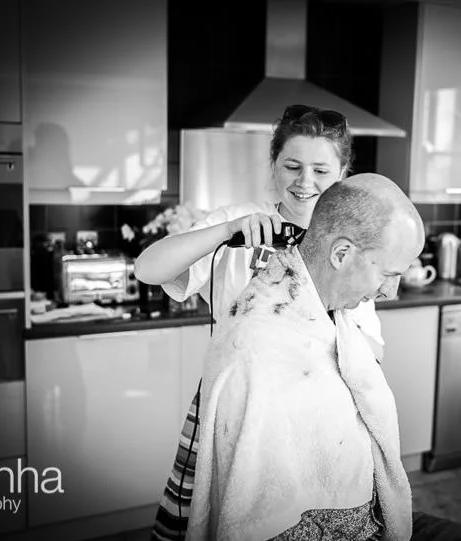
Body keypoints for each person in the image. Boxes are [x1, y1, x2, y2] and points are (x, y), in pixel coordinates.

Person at [187, 174, 461, 540]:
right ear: (341, 253)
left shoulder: (333, 315)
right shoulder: (254, 351)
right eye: (389, 273)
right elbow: (261, 519)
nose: (392, 292)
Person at [137, 105, 384, 540]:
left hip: (317, 417)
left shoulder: (350, 248)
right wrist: (224, 230)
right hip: (237, 410)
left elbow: (370, 351)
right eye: (292, 165)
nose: (304, 182)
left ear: (342, 174)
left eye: (320, 170)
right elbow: (148, 269)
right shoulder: (236, 224)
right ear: (274, 165)